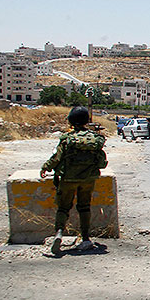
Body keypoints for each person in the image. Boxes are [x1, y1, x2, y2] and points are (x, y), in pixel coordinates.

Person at [40, 106, 108, 254]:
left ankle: (59, 233)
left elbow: (56, 158)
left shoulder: (67, 139)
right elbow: (102, 162)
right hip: (88, 179)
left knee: (63, 207)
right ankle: (85, 237)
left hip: (68, 179)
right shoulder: (94, 138)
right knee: (84, 207)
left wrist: (45, 167)